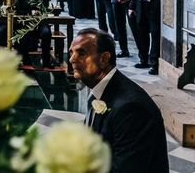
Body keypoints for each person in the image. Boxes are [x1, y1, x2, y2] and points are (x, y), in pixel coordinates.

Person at [69, 28, 169, 173]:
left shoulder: (131, 109)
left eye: (81, 53)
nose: (72, 59)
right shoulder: (100, 89)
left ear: (104, 59)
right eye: (72, 52)